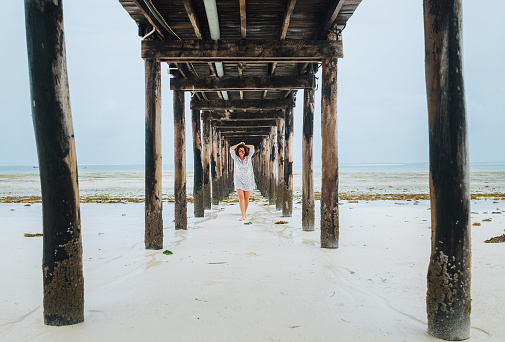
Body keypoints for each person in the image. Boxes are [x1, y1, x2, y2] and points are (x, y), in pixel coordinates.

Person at [229, 141, 255, 221]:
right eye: (240, 150)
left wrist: (244, 145)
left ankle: (244, 214)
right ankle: (243, 215)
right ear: (238, 151)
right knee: (241, 198)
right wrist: (239, 144)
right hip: (238, 180)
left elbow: (252, 146)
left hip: (248, 180)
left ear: (245, 151)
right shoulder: (235, 158)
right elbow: (231, 148)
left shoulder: (248, 157)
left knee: (246, 198)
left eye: (243, 150)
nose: (241, 152)